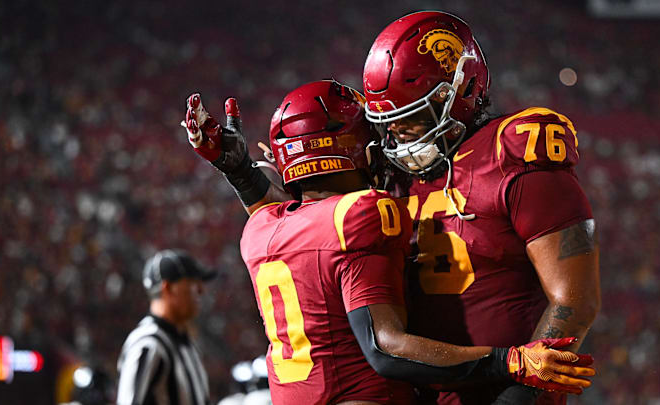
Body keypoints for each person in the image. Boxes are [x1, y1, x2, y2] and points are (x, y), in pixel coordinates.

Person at [183, 80, 594, 405]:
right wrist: (512, 363)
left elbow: (305, 225)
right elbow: (385, 347)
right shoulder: (364, 212)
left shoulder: (262, 227)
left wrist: (237, 170)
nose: (388, 140)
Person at [360, 11, 601, 405]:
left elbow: (574, 299)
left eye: (413, 117)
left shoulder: (513, 151)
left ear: (462, 91)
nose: (398, 134)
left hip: (505, 391)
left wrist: (518, 397)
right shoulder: (394, 175)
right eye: (390, 121)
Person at [116, 249, 214, 405]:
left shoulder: (184, 342)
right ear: (168, 288)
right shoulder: (149, 345)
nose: (201, 291)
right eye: (193, 284)